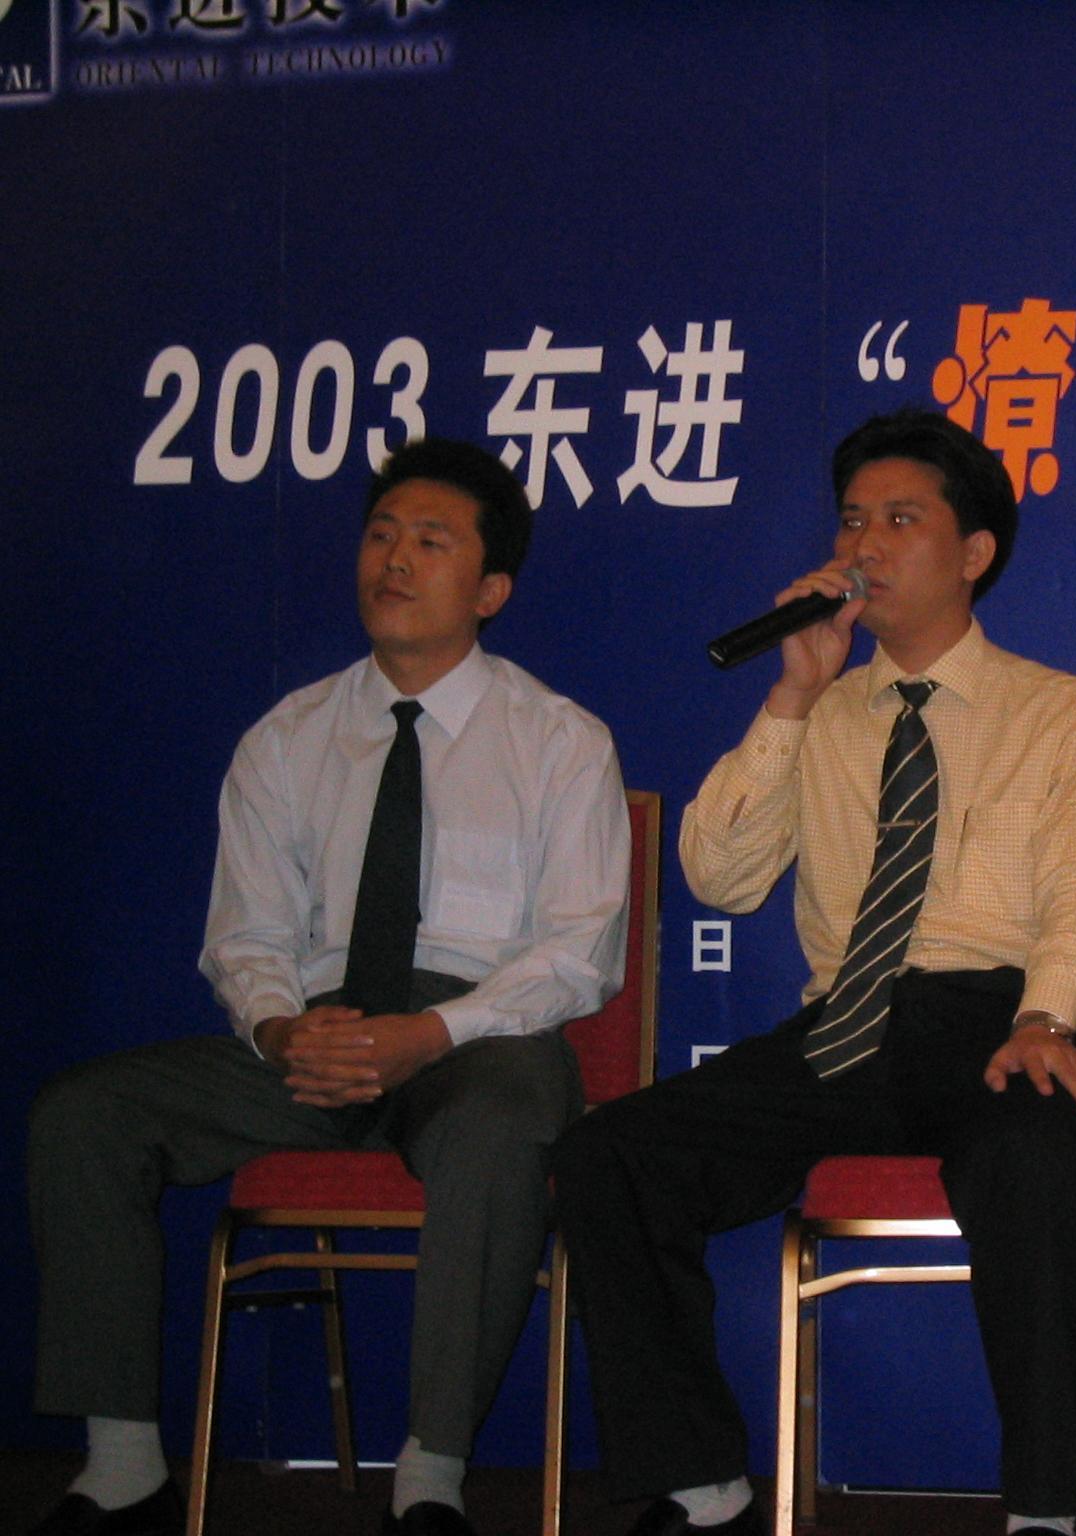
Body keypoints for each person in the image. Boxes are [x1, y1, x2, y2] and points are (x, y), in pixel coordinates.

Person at [27, 438, 631, 1536]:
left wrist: (427, 1033)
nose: (393, 560)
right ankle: (122, 1467)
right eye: (381, 535)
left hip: (472, 1044)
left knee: (503, 1123)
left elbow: (579, 952)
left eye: (430, 542)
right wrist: (276, 1028)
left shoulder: (558, 742)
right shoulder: (288, 739)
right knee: (86, 1115)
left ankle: (430, 1479)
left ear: (490, 589)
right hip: (313, 1039)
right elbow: (246, 934)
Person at [550, 408, 1076, 1536]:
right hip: (853, 1028)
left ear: (973, 553)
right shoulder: (818, 712)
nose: (864, 544)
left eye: (900, 520)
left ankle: (1042, 1514)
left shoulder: (1067, 712)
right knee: (610, 1154)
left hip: (1011, 1015)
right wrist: (791, 695)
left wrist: (1051, 1020)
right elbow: (719, 877)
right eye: (851, 521)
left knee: (1034, 1158)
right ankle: (703, 1485)